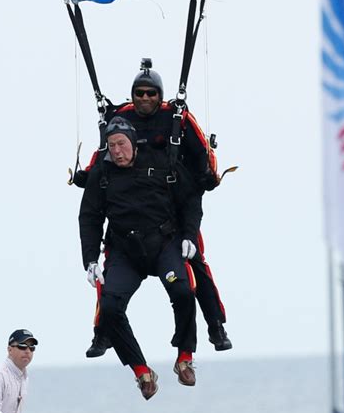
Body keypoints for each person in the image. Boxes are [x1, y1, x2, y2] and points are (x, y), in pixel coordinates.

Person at [76, 61, 232, 359]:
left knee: (196, 265)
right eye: (139, 93)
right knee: (107, 277)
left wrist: (207, 176)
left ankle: (216, 325)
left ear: (159, 95)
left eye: (151, 93)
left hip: (174, 205)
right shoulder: (121, 117)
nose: (145, 98)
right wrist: (87, 175)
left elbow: (201, 153)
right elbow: (105, 153)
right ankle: (102, 333)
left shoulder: (175, 117)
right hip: (132, 210)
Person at [79, 116, 201, 399]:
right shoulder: (102, 173)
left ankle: (184, 357)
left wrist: (189, 237)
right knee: (109, 307)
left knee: (183, 291)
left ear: (133, 142)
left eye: (122, 144)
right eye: (112, 146)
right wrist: (91, 260)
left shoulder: (161, 161)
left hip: (164, 244)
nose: (117, 151)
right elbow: (89, 217)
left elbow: (191, 199)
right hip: (125, 251)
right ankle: (141, 371)